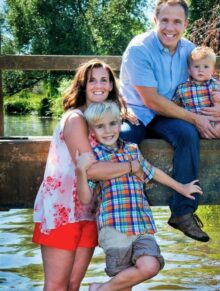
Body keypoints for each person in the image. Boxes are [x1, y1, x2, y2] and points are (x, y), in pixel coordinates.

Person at [32, 59, 141, 291]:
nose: (98, 85)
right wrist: (133, 166)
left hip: (89, 209)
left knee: (73, 284)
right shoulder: (75, 119)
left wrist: (126, 113)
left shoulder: (102, 119)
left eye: (104, 80)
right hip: (61, 211)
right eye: (92, 81)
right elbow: (90, 169)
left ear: (112, 85)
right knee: (57, 286)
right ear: (83, 85)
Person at [120, 0, 220, 242]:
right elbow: (151, 101)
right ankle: (124, 211)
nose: (170, 27)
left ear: (185, 24)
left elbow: (206, 80)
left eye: (177, 21)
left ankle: (183, 213)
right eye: (164, 20)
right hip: (138, 111)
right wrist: (195, 117)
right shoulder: (139, 48)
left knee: (187, 134)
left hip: (170, 113)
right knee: (122, 139)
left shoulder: (189, 50)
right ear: (154, 21)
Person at [75, 101, 203, 291]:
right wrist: (80, 170)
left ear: (120, 124)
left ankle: (100, 289)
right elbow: (85, 198)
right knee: (124, 285)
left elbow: (153, 171)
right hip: (114, 227)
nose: (108, 130)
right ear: (92, 132)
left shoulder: (132, 150)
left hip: (140, 223)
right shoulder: (95, 157)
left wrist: (181, 187)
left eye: (112, 123)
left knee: (151, 265)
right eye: (100, 126)